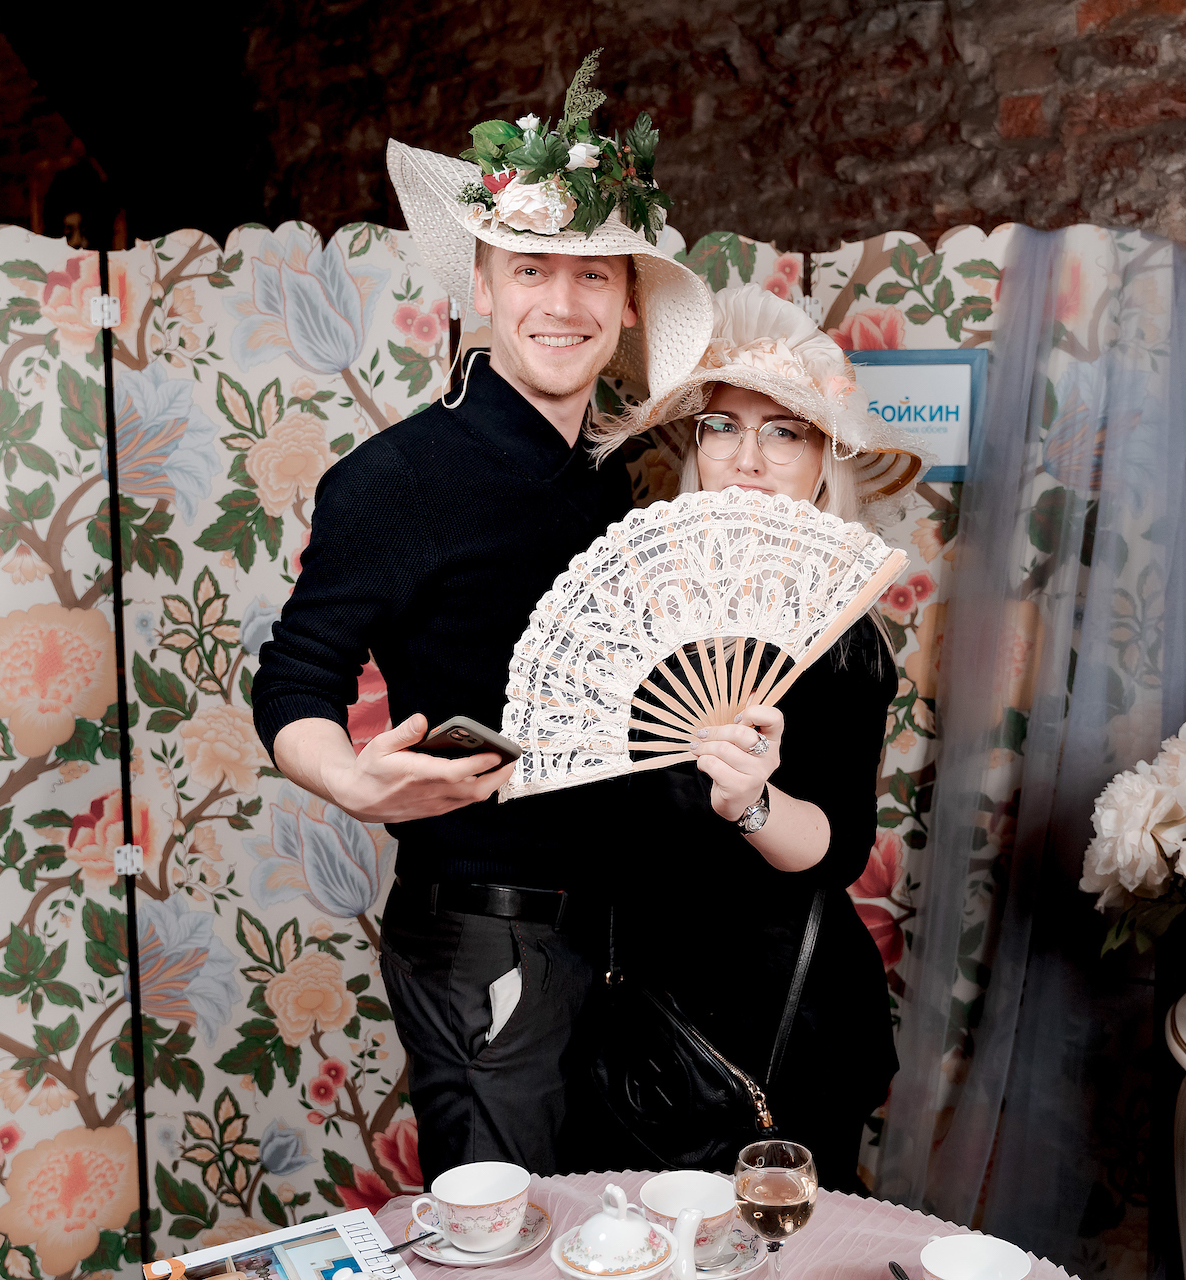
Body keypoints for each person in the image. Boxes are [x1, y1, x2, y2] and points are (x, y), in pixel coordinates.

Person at [250, 79, 712, 1183]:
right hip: (485, 934)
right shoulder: (397, 478)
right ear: (483, 288)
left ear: (630, 300)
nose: (563, 301)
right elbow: (294, 677)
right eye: (531, 269)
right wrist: (350, 780)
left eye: (592, 273)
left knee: (614, 1230)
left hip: (630, 933)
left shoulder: (626, 474)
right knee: (503, 1236)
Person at [583, 284, 927, 1192]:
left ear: (823, 461)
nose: (747, 456)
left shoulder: (840, 636)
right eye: (722, 426)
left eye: (784, 432)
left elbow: (839, 849)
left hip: (777, 1018)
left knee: (778, 1250)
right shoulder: (640, 600)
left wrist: (752, 803)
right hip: (642, 1002)